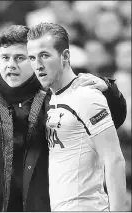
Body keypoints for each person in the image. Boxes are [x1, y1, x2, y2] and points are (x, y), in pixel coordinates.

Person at [0, 25, 126, 212]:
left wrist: (108, 89)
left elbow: (113, 121)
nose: (11, 65)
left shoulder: (53, 94)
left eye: (21, 58)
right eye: (5, 57)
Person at [27, 22, 127, 211]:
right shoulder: (53, 97)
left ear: (65, 56)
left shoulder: (86, 95)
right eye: (32, 58)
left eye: (44, 56)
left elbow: (114, 159)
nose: (37, 65)